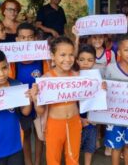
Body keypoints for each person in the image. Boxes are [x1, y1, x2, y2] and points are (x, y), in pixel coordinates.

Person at [32, 36, 82, 165]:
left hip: (74, 122)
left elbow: (90, 95)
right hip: (54, 125)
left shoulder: (77, 76)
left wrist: (101, 88)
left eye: (71, 55)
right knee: (53, 159)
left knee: (73, 158)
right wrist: (35, 98)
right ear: (53, 56)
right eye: (63, 55)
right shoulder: (46, 79)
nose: (68, 59)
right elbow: (40, 110)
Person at [104, 35, 128, 165]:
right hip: (114, 116)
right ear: (119, 52)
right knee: (116, 146)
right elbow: (104, 89)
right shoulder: (111, 68)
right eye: (126, 50)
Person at [14, 23, 44, 165]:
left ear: (36, 39)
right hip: (22, 104)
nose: (26, 41)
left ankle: (38, 162)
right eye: (23, 37)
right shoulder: (11, 60)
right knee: (25, 134)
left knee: (40, 134)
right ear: (17, 40)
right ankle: (29, 162)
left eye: (30, 37)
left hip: (40, 102)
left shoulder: (43, 58)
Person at [75, 44, 100, 165]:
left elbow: (99, 100)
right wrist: (79, 119)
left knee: (89, 146)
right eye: (82, 60)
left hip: (91, 119)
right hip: (75, 118)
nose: (86, 63)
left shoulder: (98, 78)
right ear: (76, 60)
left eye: (90, 60)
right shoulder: (72, 77)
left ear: (95, 61)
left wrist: (104, 88)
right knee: (75, 145)